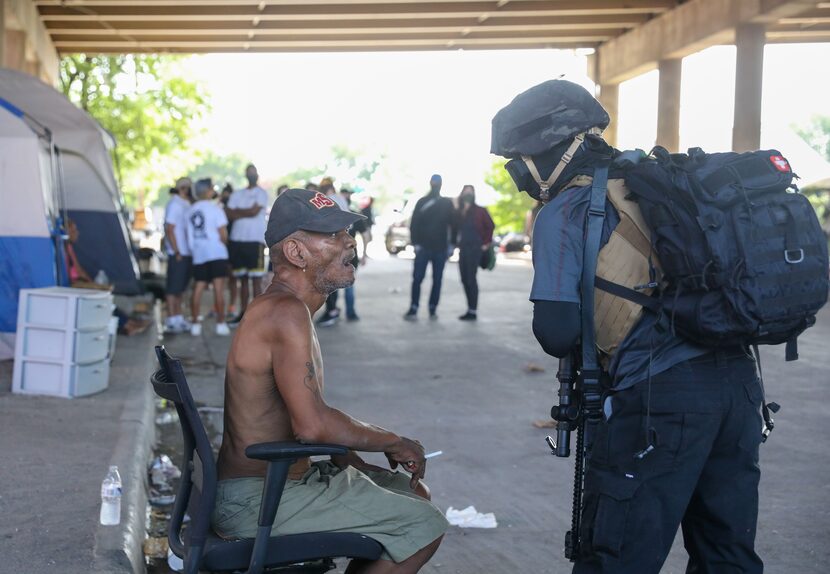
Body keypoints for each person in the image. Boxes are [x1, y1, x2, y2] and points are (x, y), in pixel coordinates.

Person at [494, 79, 764, 573]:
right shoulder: (664, 182)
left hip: (658, 397)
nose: (518, 174)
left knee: (615, 556)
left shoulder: (568, 208)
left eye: (518, 160)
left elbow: (555, 332)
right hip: (739, 386)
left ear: (550, 150)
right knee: (727, 554)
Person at [213, 188, 447, 572]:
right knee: (424, 524)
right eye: (334, 235)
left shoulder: (290, 309)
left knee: (414, 492)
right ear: (296, 253)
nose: (349, 242)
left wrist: (353, 459)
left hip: (276, 484)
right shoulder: (284, 313)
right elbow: (313, 426)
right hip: (256, 499)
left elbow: (300, 418)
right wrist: (394, 441)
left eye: (346, 232)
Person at [404, 174, 455, 320]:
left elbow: (453, 225)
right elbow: (414, 224)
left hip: (440, 249)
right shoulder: (422, 202)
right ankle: (414, 307)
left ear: (441, 184)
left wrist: (451, 246)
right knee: (417, 278)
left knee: (437, 280)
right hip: (423, 248)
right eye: (434, 181)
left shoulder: (447, 203)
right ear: (430, 183)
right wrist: (416, 244)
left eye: (437, 182)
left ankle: (433, 308)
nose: (435, 184)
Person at [186, 178, 231, 337]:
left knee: (198, 288)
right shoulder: (215, 209)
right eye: (212, 188)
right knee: (219, 289)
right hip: (216, 252)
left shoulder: (191, 210)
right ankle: (220, 323)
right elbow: (223, 234)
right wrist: (223, 243)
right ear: (208, 191)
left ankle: (195, 324)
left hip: (199, 253)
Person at [225, 164, 269, 325]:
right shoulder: (237, 194)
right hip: (237, 240)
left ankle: (257, 315)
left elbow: (254, 211)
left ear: (257, 174)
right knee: (241, 279)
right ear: (245, 174)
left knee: (256, 279)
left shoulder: (261, 193)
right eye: (249, 172)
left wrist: (238, 213)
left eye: (254, 172)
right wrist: (246, 212)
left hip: (255, 240)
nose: (252, 174)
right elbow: (228, 213)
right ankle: (244, 313)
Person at [316, 184, 363, 325]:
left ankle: (333, 311)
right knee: (341, 283)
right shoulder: (337, 203)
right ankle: (345, 312)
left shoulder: (328, 202)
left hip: (340, 254)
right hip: (346, 253)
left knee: (334, 283)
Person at [453, 185, 494, 321]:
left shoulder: (480, 211)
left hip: (475, 248)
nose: (468, 194)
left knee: (471, 278)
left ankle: (472, 310)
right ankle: (469, 309)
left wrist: (486, 244)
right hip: (463, 249)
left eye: (471, 192)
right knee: (464, 279)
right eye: (466, 191)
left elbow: (490, 226)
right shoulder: (459, 211)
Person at [163, 177, 193, 333]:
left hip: (186, 251)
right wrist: (176, 251)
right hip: (178, 252)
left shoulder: (186, 203)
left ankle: (178, 316)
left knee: (181, 287)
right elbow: (170, 229)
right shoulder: (174, 204)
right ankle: (171, 318)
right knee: (173, 287)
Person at [219, 182, 239, 317]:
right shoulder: (218, 210)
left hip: (232, 247)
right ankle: (218, 307)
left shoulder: (234, 211)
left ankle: (231, 306)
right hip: (221, 247)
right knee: (220, 279)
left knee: (232, 278)